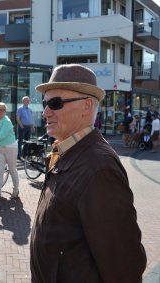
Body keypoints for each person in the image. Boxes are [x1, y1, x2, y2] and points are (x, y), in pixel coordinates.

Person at [30, 64, 146, 283]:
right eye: (45, 103)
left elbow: (124, 267)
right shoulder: (64, 150)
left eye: (55, 103)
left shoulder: (100, 169)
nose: (45, 112)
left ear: (87, 106)